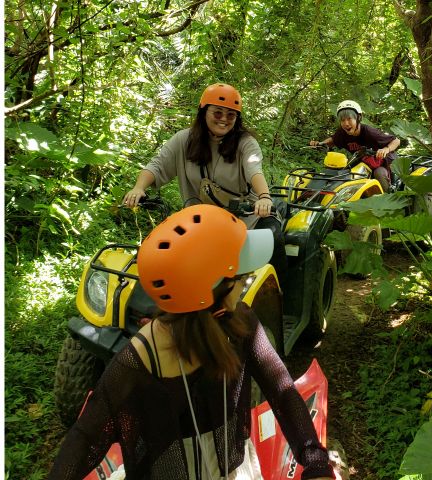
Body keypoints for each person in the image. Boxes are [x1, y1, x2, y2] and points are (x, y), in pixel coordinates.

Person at [48, 204, 335, 480]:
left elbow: (282, 391)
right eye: (241, 277)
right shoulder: (141, 357)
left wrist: (315, 462)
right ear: (210, 294)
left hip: (234, 469)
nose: (245, 283)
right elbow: (85, 438)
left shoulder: (241, 323)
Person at [124, 82, 287, 279]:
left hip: (246, 217)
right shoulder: (184, 140)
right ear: (203, 112)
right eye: (217, 113)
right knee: (169, 256)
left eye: (231, 115)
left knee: (272, 238)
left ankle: (281, 292)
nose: (224, 119)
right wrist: (138, 188)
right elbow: (157, 166)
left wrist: (264, 197)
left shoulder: (245, 143)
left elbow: (254, 170)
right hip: (198, 222)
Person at [310, 100, 400, 192]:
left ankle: (390, 197)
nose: (346, 123)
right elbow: (333, 140)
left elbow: (396, 141)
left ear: (358, 118)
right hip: (363, 162)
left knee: (379, 174)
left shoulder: (369, 132)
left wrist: (385, 149)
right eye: (342, 120)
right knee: (345, 174)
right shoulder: (342, 133)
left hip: (382, 162)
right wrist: (320, 143)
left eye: (349, 119)